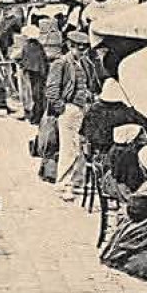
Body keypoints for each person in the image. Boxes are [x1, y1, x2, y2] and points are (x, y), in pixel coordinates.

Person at [45, 30, 99, 197]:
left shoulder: (86, 63)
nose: (81, 51)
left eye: (84, 48)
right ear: (70, 46)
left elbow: (90, 84)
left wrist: (90, 97)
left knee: (81, 148)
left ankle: (76, 183)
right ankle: (63, 185)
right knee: (68, 149)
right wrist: (61, 107)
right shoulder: (61, 63)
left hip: (83, 110)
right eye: (78, 48)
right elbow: (52, 89)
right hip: (69, 109)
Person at [19, 24, 49, 124]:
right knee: (39, 95)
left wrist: (22, 66)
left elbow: (25, 61)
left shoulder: (28, 46)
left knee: (34, 96)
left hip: (33, 73)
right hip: (40, 72)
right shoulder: (38, 45)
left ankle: (35, 117)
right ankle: (37, 116)